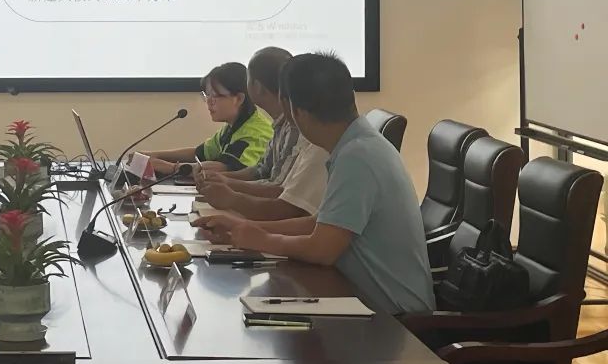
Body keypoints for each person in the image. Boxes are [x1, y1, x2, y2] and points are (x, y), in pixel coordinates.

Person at [193, 52, 435, 315]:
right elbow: (319, 224)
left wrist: (263, 239)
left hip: (394, 318)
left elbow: (322, 249)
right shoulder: (355, 145)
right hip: (362, 299)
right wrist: (242, 229)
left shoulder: (358, 156)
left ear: (296, 111)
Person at [195, 49, 330, 221]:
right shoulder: (281, 124)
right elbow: (262, 171)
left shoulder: (303, 133)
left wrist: (231, 195)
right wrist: (223, 181)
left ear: (256, 87)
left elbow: (282, 195)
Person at [143, 61, 274, 175]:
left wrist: (170, 167)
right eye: (207, 95)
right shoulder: (233, 126)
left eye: (215, 96)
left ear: (239, 98)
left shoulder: (256, 132)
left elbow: (226, 169)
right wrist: (153, 155)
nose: (209, 102)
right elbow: (199, 153)